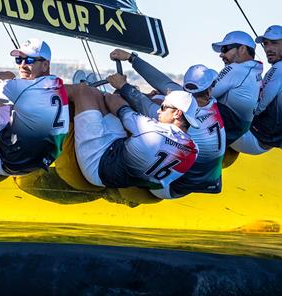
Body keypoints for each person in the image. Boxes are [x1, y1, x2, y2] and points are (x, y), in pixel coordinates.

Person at [109, 50, 226, 195]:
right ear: (209, 90)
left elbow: (143, 104)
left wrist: (124, 87)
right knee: (158, 97)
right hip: (211, 180)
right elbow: (164, 83)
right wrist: (132, 58)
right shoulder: (210, 102)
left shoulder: (182, 114)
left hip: (174, 188)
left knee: (132, 118)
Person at [69, 82, 199, 199]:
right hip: (119, 158)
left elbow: (114, 101)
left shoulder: (150, 129)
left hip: (98, 165)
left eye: (164, 107)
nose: (159, 110)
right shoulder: (194, 150)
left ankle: (48, 90)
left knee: (83, 91)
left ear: (177, 113)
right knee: (97, 97)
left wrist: (116, 92)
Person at [0, 38, 69, 176]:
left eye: (29, 60)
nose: (22, 65)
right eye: (19, 60)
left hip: (1, 159)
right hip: (37, 162)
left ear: (45, 65)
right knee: (8, 75)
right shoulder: (58, 84)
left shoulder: (20, 88)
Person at [230, 25, 282, 154]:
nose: (268, 48)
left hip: (254, 139)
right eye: (266, 43)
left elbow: (259, 107)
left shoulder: (281, 69)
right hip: (268, 139)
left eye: (274, 43)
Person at [209, 31, 263, 144]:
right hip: (239, 130)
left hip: (225, 129)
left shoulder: (236, 69)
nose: (221, 55)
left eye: (225, 49)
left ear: (242, 49)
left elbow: (205, 94)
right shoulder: (256, 71)